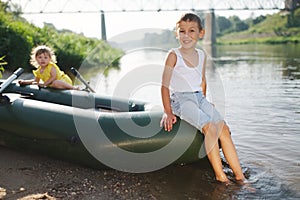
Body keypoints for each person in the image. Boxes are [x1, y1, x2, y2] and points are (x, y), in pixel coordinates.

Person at [160, 13, 245, 184]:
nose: (186, 35)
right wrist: (168, 112)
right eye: (182, 31)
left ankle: (240, 177)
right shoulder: (173, 55)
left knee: (224, 129)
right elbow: (164, 86)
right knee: (210, 129)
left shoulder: (202, 55)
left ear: (201, 33)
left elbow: (202, 81)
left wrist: (204, 103)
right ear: (177, 34)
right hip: (181, 100)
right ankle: (221, 177)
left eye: (192, 31)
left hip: (199, 98)